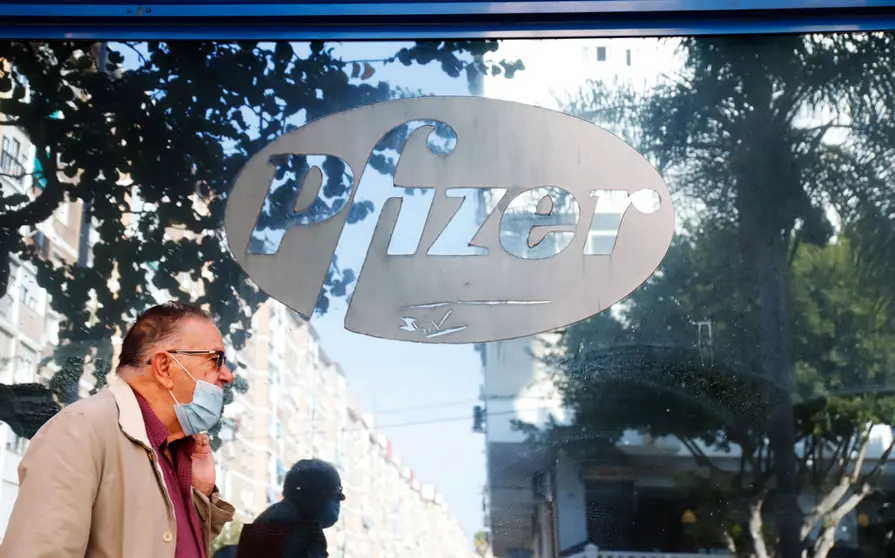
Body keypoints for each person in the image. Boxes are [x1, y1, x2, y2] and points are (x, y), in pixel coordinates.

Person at [0, 301, 236, 558]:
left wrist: (199, 495)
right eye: (216, 359)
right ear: (165, 367)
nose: (227, 375)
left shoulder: (175, 450)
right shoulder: (80, 431)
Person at [236, 459, 345, 558]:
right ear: (315, 494)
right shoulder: (296, 530)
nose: (339, 501)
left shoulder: (274, 519)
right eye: (335, 495)